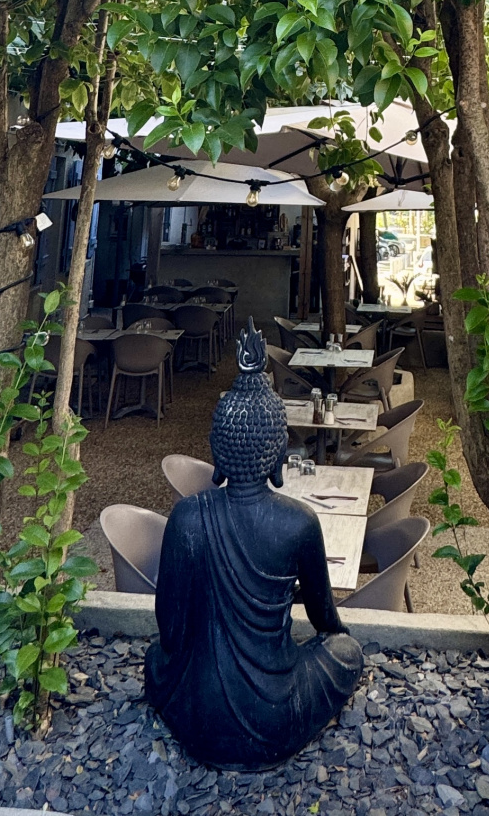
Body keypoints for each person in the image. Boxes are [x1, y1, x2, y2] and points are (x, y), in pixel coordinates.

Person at [145, 321, 362, 766]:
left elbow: (169, 630)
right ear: (281, 454)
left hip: (198, 713)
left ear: (217, 452)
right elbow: (326, 623)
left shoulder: (187, 516)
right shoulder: (299, 522)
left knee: (153, 659)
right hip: (275, 712)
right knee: (347, 652)